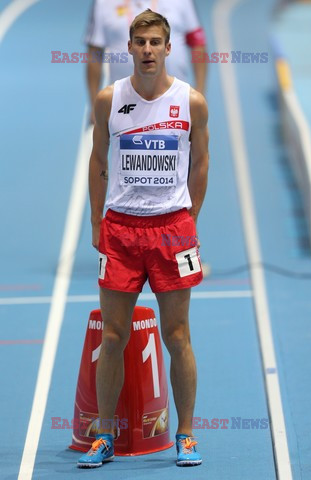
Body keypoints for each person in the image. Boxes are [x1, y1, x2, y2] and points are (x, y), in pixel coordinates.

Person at [77, 9, 209, 469]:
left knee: (177, 335)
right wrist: (97, 221)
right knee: (112, 335)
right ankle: (105, 435)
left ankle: (187, 435)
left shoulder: (190, 102)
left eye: (156, 42)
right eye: (141, 42)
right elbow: (97, 161)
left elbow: (200, 164)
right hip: (121, 230)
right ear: (129, 48)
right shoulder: (109, 100)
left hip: (172, 231)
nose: (148, 50)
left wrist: (190, 218)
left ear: (168, 48)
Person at [85, 0, 208, 124]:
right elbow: (95, 53)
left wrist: (200, 92)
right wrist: (94, 103)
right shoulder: (103, 3)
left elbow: (197, 44)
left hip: (175, 99)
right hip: (125, 102)